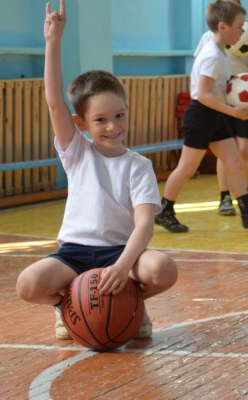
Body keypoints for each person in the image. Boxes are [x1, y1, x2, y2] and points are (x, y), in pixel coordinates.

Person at [15, 0, 178, 340]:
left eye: (119, 115)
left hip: (121, 252)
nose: (112, 126)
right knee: (27, 284)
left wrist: (122, 267)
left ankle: (130, 303)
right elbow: (54, 102)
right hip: (74, 253)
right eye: (100, 120)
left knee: (163, 269)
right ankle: (70, 306)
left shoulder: (139, 166)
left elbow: (145, 225)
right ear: (81, 123)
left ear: (127, 110)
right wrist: (53, 42)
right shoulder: (77, 152)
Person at [155, 0, 248, 232]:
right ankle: (164, 210)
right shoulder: (211, 55)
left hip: (215, 115)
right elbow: (203, 95)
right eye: (239, 27)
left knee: (233, 161)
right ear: (222, 27)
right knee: (187, 168)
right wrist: (234, 112)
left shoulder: (222, 52)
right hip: (201, 116)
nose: (242, 32)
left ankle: (247, 210)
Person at [194, 0, 248, 217]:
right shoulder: (209, 40)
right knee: (224, 150)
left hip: (244, 94)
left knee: (243, 147)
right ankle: (225, 196)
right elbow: (200, 71)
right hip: (219, 97)